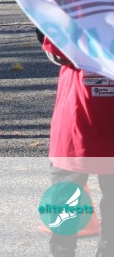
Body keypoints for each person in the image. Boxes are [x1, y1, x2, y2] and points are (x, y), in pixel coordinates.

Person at [39, 29, 114, 257]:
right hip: (81, 125)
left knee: (64, 202)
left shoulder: (75, 21)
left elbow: (54, 50)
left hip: (76, 125)